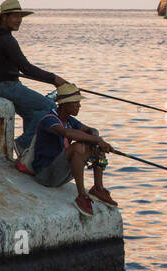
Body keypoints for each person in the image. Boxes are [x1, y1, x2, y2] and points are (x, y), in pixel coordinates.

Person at [0, 0, 67, 153]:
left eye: (20, 17)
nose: (19, 20)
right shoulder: (6, 40)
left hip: (0, 85)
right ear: (4, 18)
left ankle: (27, 151)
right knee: (49, 107)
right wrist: (55, 79)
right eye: (15, 16)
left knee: (33, 113)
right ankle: (22, 144)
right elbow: (26, 68)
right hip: (6, 86)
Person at [31, 83, 117, 215]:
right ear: (65, 104)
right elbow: (67, 133)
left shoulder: (70, 120)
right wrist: (97, 140)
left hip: (61, 173)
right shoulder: (49, 120)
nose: (79, 106)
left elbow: (90, 130)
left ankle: (98, 188)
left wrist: (95, 139)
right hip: (45, 175)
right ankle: (82, 196)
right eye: (76, 102)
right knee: (77, 147)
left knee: (97, 148)